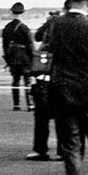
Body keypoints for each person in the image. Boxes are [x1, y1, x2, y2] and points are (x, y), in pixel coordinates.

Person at [49, 0, 88, 175]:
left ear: (69, 0)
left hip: (65, 93)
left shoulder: (56, 25)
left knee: (71, 146)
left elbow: (49, 46)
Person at [26, 10, 62, 161]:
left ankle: (40, 150)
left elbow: (37, 36)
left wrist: (47, 23)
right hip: (61, 79)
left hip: (44, 78)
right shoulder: (64, 32)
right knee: (63, 118)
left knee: (41, 117)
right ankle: (62, 150)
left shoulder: (46, 40)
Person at [2, 2, 34, 111]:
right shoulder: (24, 28)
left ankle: (16, 104)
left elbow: (5, 45)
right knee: (27, 81)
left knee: (15, 81)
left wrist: (7, 60)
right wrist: (32, 57)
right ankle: (30, 104)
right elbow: (30, 44)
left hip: (13, 58)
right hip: (24, 58)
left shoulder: (7, 27)